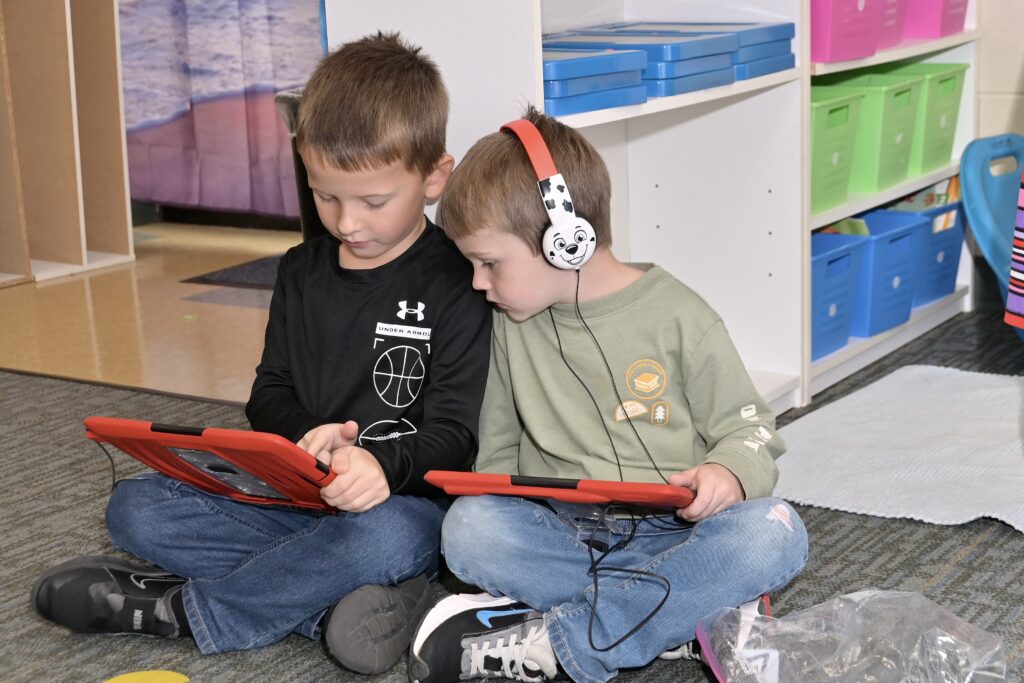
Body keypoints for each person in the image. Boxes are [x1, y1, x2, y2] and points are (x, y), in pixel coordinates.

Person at [31, 32, 491, 675]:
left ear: (435, 177)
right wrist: (305, 435)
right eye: (325, 196)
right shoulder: (300, 271)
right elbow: (268, 392)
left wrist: (381, 466)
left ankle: (186, 610)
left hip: (394, 504)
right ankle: (325, 610)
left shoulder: (459, 281)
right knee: (134, 508)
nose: (347, 222)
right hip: (292, 497)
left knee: (388, 540)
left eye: (373, 202)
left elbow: (458, 434)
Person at [407, 108, 809, 683]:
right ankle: (686, 614)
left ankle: (562, 640)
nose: (478, 282)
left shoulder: (680, 316)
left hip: (681, 532)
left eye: (489, 263)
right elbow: (497, 454)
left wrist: (728, 472)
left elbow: (752, 430)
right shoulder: (508, 325)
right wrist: (498, 501)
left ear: (565, 242)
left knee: (774, 529)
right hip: (569, 536)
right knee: (469, 528)